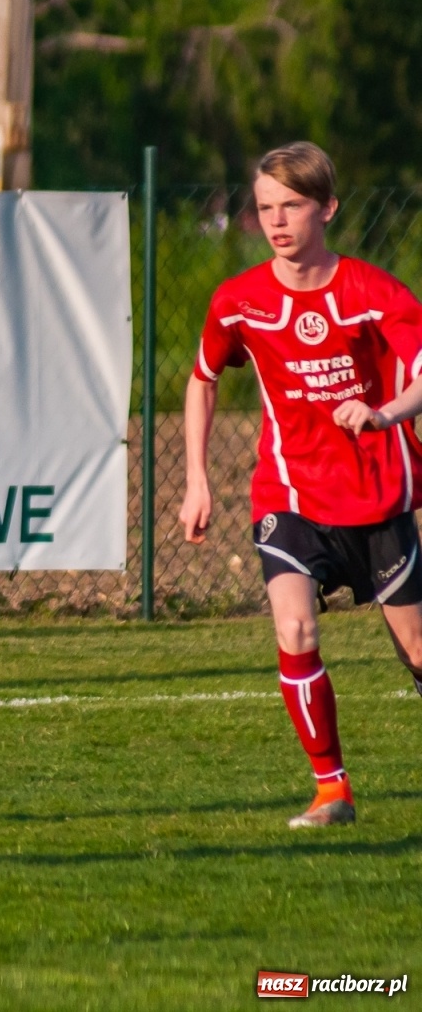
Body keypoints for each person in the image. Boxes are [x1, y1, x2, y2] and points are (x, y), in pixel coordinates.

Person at [180, 140, 422, 829]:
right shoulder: (239, 302)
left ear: (328, 209)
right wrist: (197, 481)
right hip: (289, 495)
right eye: (264, 208)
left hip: (378, 494)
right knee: (293, 627)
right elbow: (201, 379)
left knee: (417, 648)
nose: (277, 220)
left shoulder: (375, 292)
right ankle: (331, 791)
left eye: (291, 205)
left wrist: (385, 412)